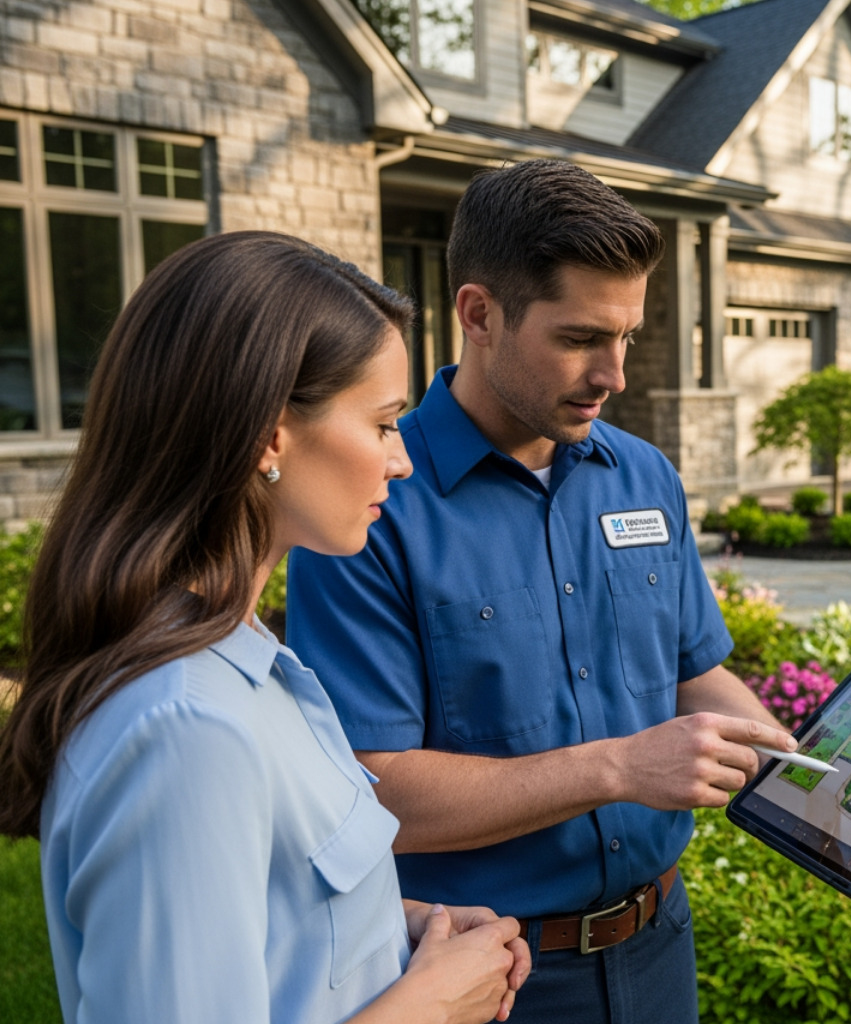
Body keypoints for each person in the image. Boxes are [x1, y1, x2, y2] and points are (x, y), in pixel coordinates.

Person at [284, 159, 798, 1022]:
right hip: (487, 976)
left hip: (660, 941)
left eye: (626, 336)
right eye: (580, 339)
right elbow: (372, 794)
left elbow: (690, 670)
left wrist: (794, 766)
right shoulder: (367, 501)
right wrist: (622, 766)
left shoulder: (644, 475)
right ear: (479, 315)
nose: (616, 373)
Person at [0, 231, 534, 1024]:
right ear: (269, 434)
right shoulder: (184, 728)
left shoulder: (241, 663)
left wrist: (399, 928)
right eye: (385, 424)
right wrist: (432, 1004)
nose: (403, 462)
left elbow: (273, 911)